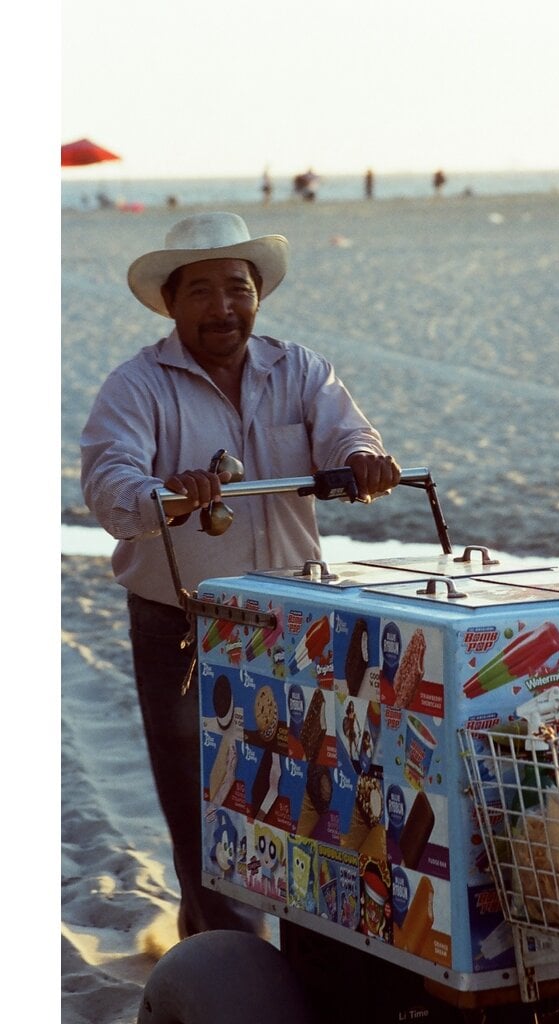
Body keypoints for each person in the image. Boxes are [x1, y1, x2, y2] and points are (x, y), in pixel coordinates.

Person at [80, 211, 401, 941]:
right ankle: (220, 963)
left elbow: (350, 434)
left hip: (296, 617)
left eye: (237, 289)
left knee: (314, 790)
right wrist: (160, 494)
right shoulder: (137, 385)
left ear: (259, 295)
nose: (223, 309)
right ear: (171, 302)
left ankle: (308, 956)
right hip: (183, 622)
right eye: (201, 292)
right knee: (206, 797)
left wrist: (364, 461)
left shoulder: (301, 369)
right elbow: (110, 483)